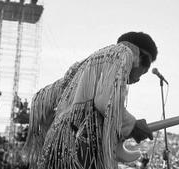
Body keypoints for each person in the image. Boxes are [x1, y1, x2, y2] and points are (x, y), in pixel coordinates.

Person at [25, 32, 157, 169]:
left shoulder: (81, 66)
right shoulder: (123, 52)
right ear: (141, 57)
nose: (139, 78)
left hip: (57, 147)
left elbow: (42, 99)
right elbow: (106, 101)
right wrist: (131, 124)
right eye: (144, 71)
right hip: (79, 151)